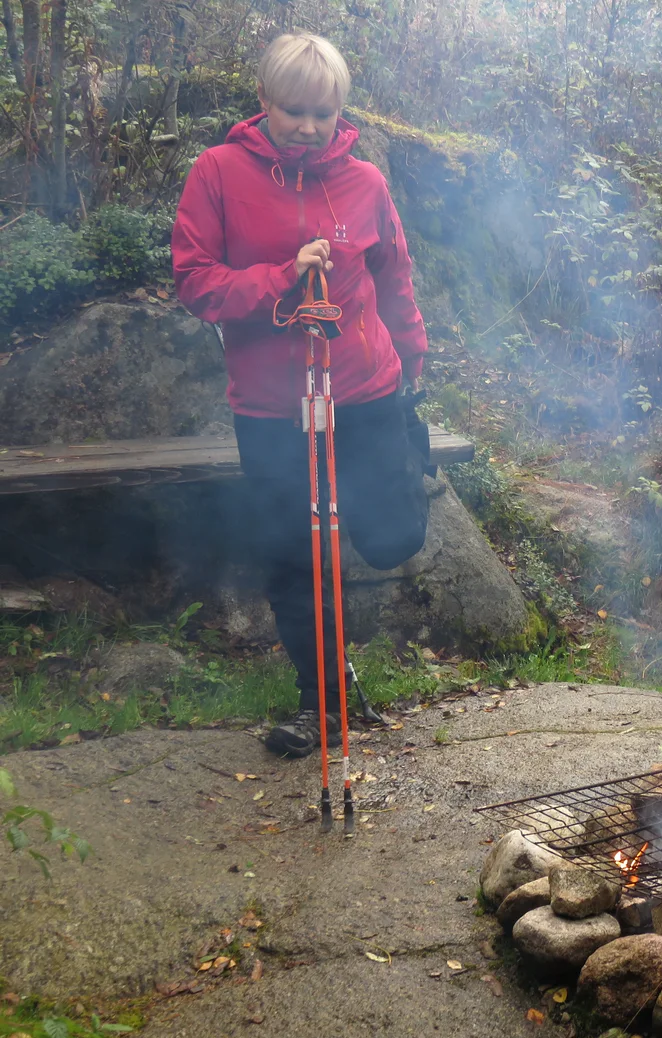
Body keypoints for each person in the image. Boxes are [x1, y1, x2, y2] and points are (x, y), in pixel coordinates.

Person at [173, 33, 431, 758]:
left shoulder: (366, 183)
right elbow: (195, 282)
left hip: (365, 391)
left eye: (324, 113)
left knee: (395, 537)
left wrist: (413, 356)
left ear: (340, 110)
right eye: (294, 111)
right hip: (271, 408)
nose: (309, 127)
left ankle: (404, 467)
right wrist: (280, 277)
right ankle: (323, 698)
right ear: (264, 101)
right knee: (292, 555)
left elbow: (394, 276)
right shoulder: (218, 172)